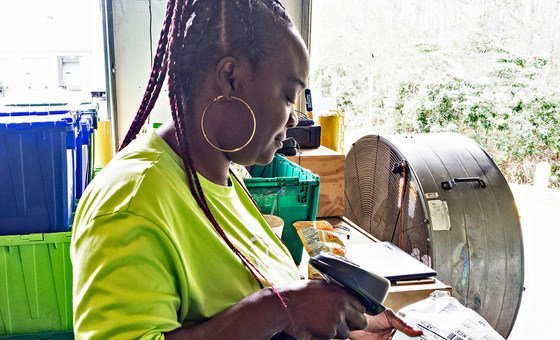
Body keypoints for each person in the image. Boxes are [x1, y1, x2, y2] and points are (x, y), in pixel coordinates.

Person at [71, 0, 424, 339]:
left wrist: (347, 322)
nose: (295, 117)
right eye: (288, 96)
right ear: (230, 77)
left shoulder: (221, 175)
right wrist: (281, 309)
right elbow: (270, 311)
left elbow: (250, 301)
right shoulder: (130, 203)